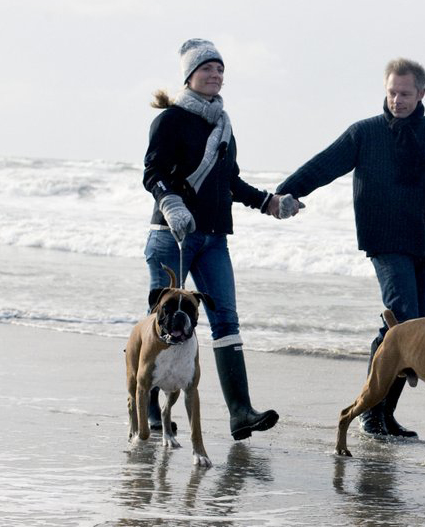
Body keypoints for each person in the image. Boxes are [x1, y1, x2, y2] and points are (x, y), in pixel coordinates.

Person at [276, 58, 425, 438]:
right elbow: (325, 164)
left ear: (421, 94)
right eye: (392, 92)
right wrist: (286, 191)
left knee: (415, 334)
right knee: (403, 317)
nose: (397, 100)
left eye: (405, 93)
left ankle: (383, 414)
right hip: (385, 239)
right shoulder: (364, 133)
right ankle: (369, 411)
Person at [141, 38, 297, 441]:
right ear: (190, 75)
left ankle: (240, 413)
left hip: (214, 240)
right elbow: (152, 173)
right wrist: (172, 203)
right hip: (171, 235)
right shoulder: (170, 120)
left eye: (220, 69)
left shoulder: (224, 124)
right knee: (165, 320)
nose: (215, 75)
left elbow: (230, 182)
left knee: (226, 319)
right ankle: (151, 408)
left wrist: (269, 202)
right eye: (207, 69)